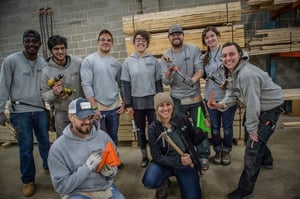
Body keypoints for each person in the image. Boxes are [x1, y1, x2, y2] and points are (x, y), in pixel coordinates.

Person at [207, 41, 284, 199]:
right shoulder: (231, 72)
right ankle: (267, 159)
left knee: (252, 149)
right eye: (224, 55)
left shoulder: (247, 75)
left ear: (240, 55)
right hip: (257, 105)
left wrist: (253, 129)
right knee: (253, 134)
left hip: (269, 108)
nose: (228, 58)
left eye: (232, 54)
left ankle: (245, 189)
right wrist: (220, 104)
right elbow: (233, 93)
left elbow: (253, 103)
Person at [0, 30, 50, 197]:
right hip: (20, 112)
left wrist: (47, 108)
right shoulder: (11, 61)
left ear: (39, 44)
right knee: (26, 148)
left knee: (45, 142)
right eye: (28, 41)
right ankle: (28, 180)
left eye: (34, 41)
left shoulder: (42, 62)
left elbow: (45, 87)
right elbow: (3, 85)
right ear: (23, 42)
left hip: (40, 110)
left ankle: (49, 166)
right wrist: (0, 110)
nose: (31, 44)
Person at [47, 98, 125, 199]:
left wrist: (111, 171)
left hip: (104, 189)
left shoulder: (103, 137)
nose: (88, 121)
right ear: (71, 117)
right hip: (77, 192)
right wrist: (86, 168)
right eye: (82, 118)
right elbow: (61, 187)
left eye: (90, 116)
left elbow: (114, 161)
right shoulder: (58, 148)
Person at [160, 24, 210, 170]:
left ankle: (203, 154)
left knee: (201, 126)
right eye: (172, 35)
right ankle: (186, 153)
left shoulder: (193, 50)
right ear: (169, 38)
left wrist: (193, 80)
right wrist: (169, 71)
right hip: (177, 99)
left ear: (182, 35)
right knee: (180, 128)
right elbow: (166, 81)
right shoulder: (166, 57)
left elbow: (200, 69)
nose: (176, 37)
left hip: (195, 97)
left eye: (178, 34)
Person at [142, 92, 206, 199]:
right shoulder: (153, 128)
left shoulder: (181, 119)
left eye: (168, 104)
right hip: (165, 163)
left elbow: (193, 140)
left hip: (186, 163)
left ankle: (188, 179)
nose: (165, 108)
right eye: (161, 106)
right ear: (156, 108)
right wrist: (178, 161)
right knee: (149, 181)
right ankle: (164, 182)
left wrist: (203, 131)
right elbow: (156, 156)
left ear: (172, 105)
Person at [80, 29, 125, 168]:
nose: (105, 42)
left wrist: (123, 102)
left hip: (114, 107)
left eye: (109, 40)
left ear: (112, 43)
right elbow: (86, 84)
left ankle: (114, 159)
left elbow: (121, 84)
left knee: (113, 136)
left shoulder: (116, 63)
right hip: (98, 108)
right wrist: (94, 107)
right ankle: (101, 163)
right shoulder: (89, 60)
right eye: (103, 39)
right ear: (98, 42)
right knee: (97, 138)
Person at [121, 30, 163, 168]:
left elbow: (158, 83)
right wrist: (128, 104)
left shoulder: (153, 60)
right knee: (140, 131)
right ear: (134, 43)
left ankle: (156, 155)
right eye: (138, 40)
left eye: (144, 40)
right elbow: (125, 85)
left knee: (154, 129)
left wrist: (160, 102)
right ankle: (144, 156)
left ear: (147, 44)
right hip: (136, 103)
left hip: (152, 102)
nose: (140, 42)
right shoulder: (128, 62)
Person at [201, 26, 237, 166]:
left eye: (212, 36)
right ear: (204, 41)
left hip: (227, 97)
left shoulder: (226, 52)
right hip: (211, 96)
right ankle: (218, 150)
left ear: (217, 36)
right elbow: (204, 75)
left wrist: (227, 82)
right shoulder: (204, 57)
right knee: (215, 127)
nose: (210, 39)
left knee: (227, 127)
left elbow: (237, 70)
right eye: (207, 37)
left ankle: (226, 150)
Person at [41, 35, 84, 138]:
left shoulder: (78, 63)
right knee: (64, 139)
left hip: (80, 109)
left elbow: (87, 83)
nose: (60, 52)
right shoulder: (46, 71)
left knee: (83, 136)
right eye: (56, 49)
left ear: (66, 48)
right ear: (51, 50)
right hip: (61, 111)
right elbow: (44, 95)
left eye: (62, 48)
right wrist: (54, 93)